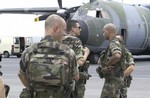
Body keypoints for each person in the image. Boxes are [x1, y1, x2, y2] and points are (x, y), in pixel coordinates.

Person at [18, 14, 79, 98]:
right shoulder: (68, 52)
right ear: (56, 28)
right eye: (64, 30)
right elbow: (76, 77)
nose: (64, 34)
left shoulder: (29, 51)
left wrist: (32, 89)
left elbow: (20, 74)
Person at [62, 20, 90, 98]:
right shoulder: (75, 41)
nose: (80, 29)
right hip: (74, 78)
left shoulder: (59, 39)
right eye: (79, 27)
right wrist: (86, 53)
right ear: (73, 29)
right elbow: (80, 62)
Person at [97, 23, 126, 98]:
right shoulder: (119, 43)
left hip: (113, 80)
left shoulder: (114, 43)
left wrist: (107, 65)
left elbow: (117, 55)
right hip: (116, 79)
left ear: (109, 31)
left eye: (104, 32)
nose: (103, 34)